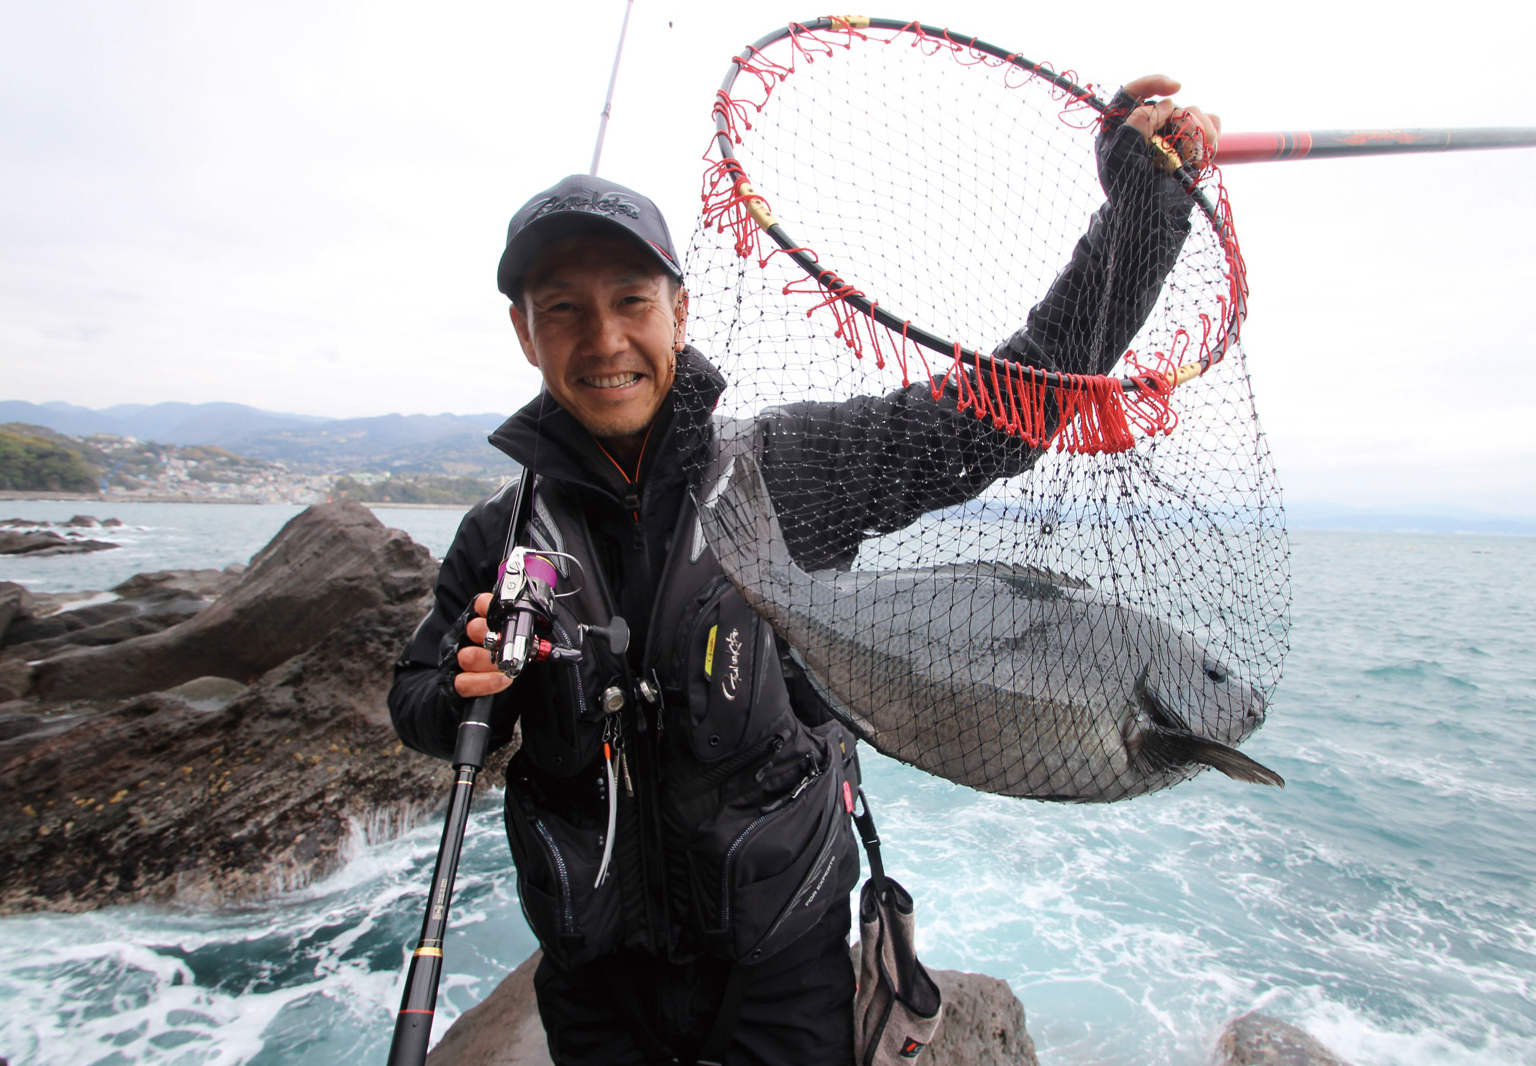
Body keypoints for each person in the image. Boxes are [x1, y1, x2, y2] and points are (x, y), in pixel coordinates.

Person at [390, 77, 1218, 1066]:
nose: (604, 339)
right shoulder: (506, 538)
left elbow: (1006, 406)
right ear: (527, 334)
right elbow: (423, 700)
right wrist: (463, 689)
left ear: (678, 312)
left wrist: (1139, 210)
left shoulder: (785, 475)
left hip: (780, 968)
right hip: (595, 980)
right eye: (563, 310)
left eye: (630, 302)